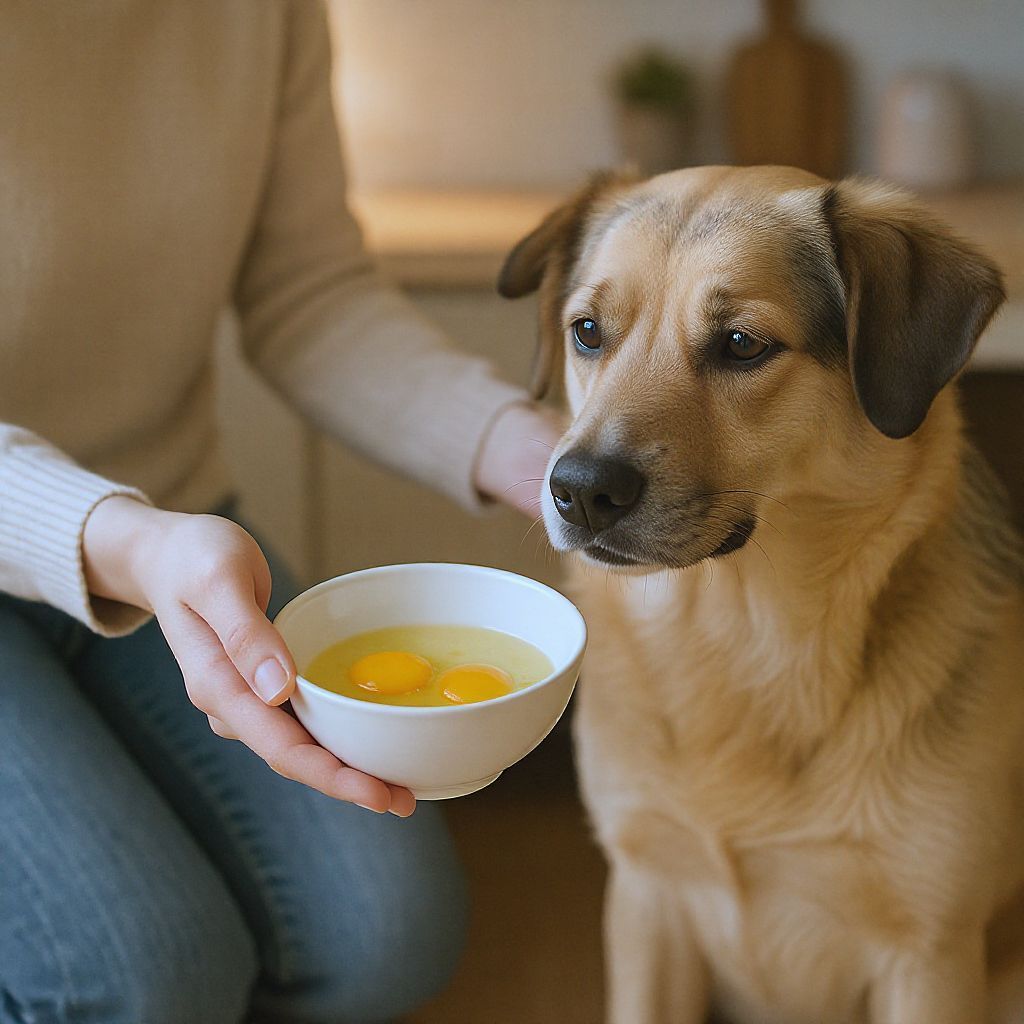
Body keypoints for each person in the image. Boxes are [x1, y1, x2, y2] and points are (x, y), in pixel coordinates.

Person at [0, 3, 560, 1022]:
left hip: (169, 532)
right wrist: (125, 541)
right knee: (146, 973)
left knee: (389, 932)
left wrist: (526, 451)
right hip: (141, 543)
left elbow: (309, 292)